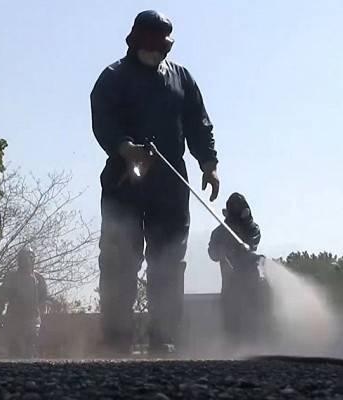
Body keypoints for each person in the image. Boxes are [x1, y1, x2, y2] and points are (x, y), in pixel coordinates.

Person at [91, 10, 220, 355]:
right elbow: (102, 120)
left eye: (158, 46)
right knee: (120, 259)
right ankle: (116, 338)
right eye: (146, 45)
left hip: (170, 182)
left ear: (166, 47)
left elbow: (198, 124)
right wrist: (125, 148)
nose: (153, 52)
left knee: (168, 259)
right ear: (134, 42)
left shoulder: (182, 79)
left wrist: (209, 164)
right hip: (124, 180)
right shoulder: (113, 78)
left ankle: (163, 336)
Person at [208, 193, 264, 348]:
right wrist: (222, 249)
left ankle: (256, 350)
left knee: (254, 322)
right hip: (230, 285)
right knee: (231, 323)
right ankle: (231, 355)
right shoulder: (220, 232)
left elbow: (254, 238)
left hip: (252, 285)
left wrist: (245, 246)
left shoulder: (251, 227)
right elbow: (212, 253)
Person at [0, 246, 48, 358]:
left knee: (32, 344)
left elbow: (44, 299)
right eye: (22, 258)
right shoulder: (11, 277)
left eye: (28, 258)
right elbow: (2, 296)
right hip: (14, 317)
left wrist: (43, 317)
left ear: (32, 259)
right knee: (15, 347)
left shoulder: (38, 279)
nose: (25, 261)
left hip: (32, 317)